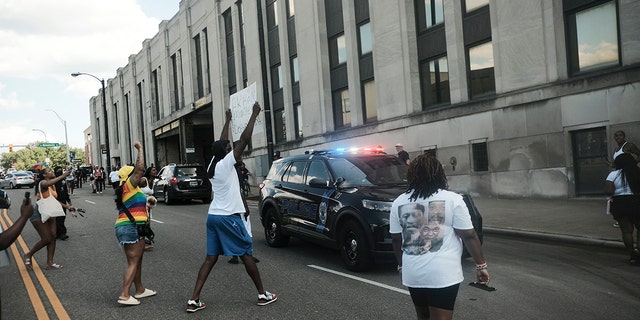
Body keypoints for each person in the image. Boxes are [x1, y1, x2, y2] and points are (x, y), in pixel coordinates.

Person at [187, 102, 277, 313]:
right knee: (246, 253)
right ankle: (263, 295)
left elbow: (220, 143)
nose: (232, 149)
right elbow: (244, 140)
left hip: (213, 216)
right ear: (225, 153)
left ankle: (194, 300)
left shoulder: (212, 164)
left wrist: (227, 120)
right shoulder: (225, 163)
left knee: (210, 258)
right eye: (229, 149)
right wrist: (254, 114)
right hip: (228, 217)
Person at [390, 154, 489, 320]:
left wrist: (401, 267)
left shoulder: (399, 202)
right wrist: (481, 266)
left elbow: (396, 239)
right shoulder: (453, 200)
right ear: (439, 174)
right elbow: (469, 235)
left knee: (423, 316)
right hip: (442, 274)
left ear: (411, 176)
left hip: (413, 272)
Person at [114, 141, 156, 306]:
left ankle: (139, 289)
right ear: (130, 176)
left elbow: (136, 205)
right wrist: (140, 149)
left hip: (134, 227)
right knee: (133, 261)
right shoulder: (128, 185)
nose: (139, 176)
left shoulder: (133, 189)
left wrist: (147, 202)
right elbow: (139, 169)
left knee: (137, 260)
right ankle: (125, 294)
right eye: (135, 175)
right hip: (130, 228)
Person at [24, 167, 77, 270]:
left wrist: (67, 207)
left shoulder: (52, 185)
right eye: (49, 171)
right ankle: (29, 254)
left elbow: (53, 200)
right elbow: (46, 184)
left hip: (51, 212)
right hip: (39, 213)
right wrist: (63, 176)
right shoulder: (43, 183)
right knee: (46, 238)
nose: (52, 172)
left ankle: (50, 262)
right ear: (44, 175)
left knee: (53, 237)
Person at [604, 153, 640, 265]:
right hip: (636, 200)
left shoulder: (613, 174)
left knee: (626, 231)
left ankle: (632, 255)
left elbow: (609, 191)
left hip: (620, 203)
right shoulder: (637, 172)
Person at [54, 166, 74, 241]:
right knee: (58, 218)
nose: (60, 172)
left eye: (61, 171)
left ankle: (60, 232)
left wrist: (69, 202)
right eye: (58, 171)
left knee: (62, 217)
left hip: (63, 201)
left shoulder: (63, 181)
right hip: (56, 202)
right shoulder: (54, 181)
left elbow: (65, 192)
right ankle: (61, 233)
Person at [141, 166, 158, 251]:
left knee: (147, 223)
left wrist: (152, 200)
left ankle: (146, 241)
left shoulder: (153, 181)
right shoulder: (144, 180)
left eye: (155, 170)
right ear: (149, 171)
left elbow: (151, 194)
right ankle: (142, 243)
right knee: (143, 223)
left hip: (148, 206)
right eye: (153, 170)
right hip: (140, 204)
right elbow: (134, 188)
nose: (155, 171)